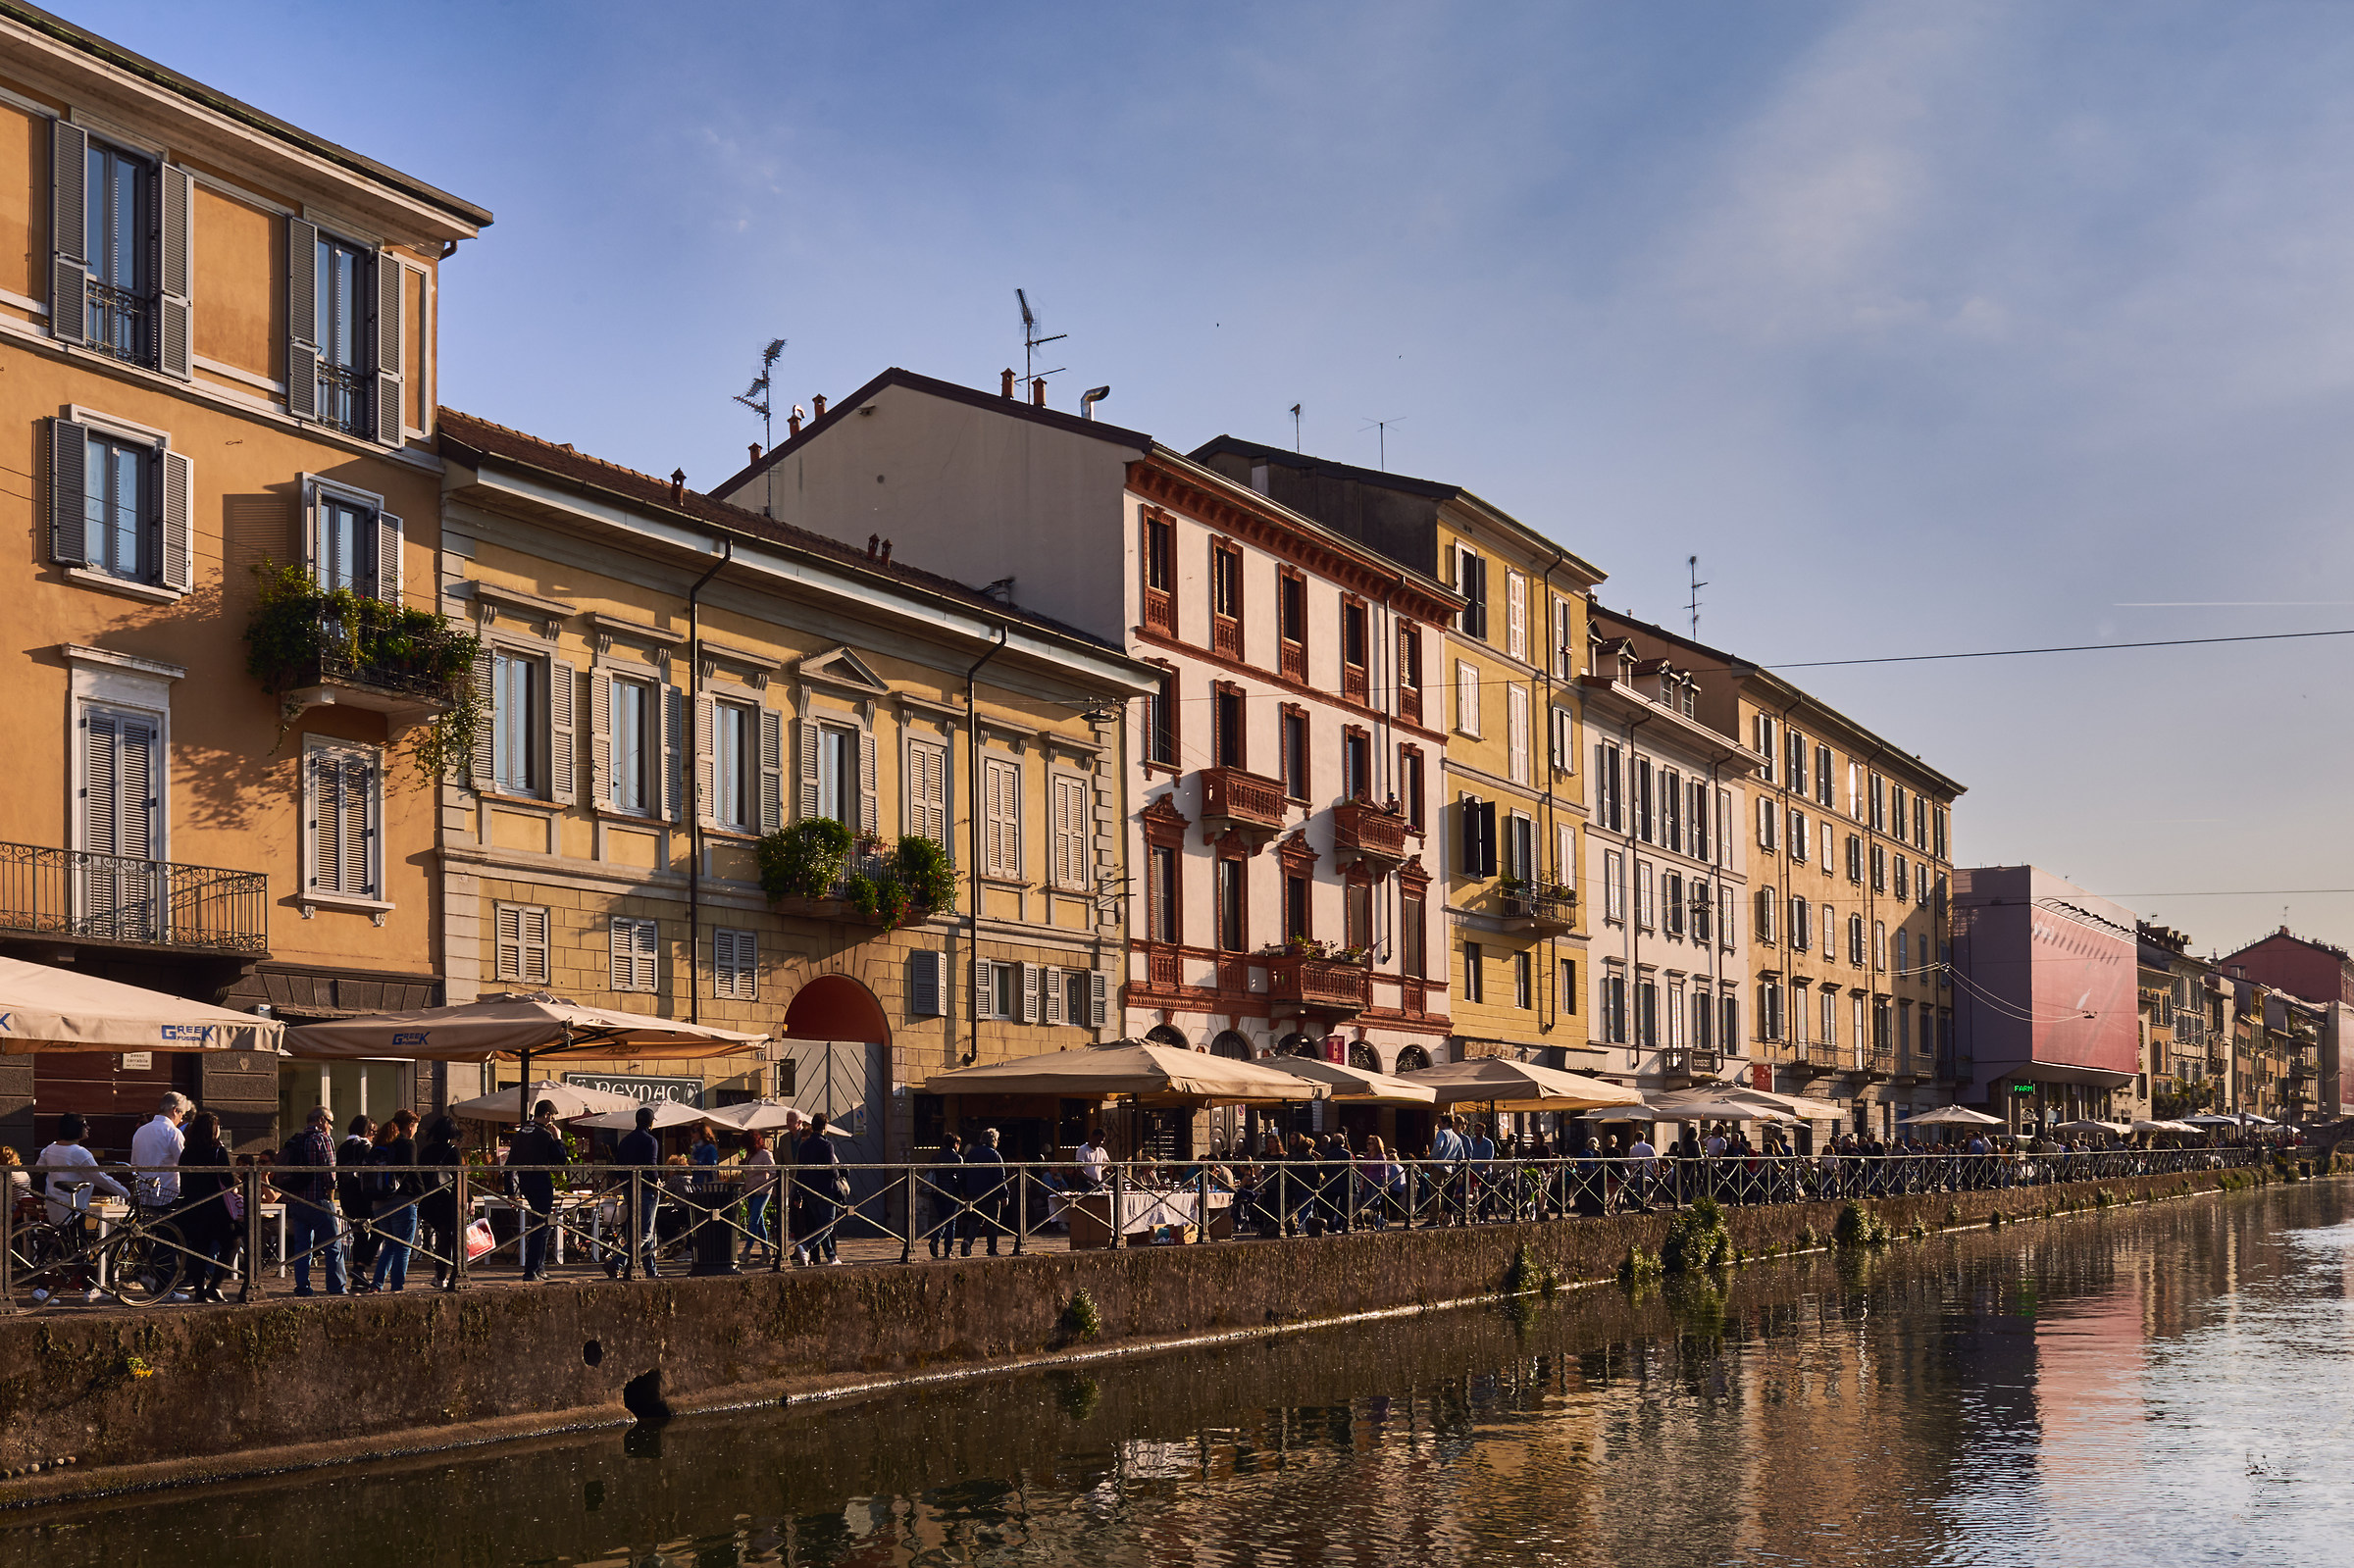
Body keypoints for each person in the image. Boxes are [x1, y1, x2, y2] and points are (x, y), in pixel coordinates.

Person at [33, 1113, 130, 1303]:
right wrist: (124, 1192)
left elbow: (38, 1170)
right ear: (76, 1128)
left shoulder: (50, 1149)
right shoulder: (80, 1153)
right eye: (85, 1125)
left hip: (54, 1203)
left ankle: (88, 1287)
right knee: (76, 1248)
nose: (88, 1128)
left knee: (69, 1248)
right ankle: (42, 1287)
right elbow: (100, 1177)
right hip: (73, 1206)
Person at [275, 1105, 345, 1296]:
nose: (331, 1126)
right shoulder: (322, 1139)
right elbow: (329, 1174)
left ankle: (302, 1287)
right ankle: (336, 1286)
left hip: (297, 1201)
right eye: (330, 1121)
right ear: (321, 1120)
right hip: (318, 1200)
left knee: (302, 1248)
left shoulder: (295, 1140)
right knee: (334, 1246)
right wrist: (331, 1201)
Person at [177, 1111, 236, 1303]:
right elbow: (227, 1180)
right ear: (213, 1130)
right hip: (216, 1207)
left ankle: (199, 1292)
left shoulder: (187, 1151)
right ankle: (215, 1285)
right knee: (231, 1243)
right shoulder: (218, 1151)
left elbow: (184, 1179)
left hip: (192, 1206)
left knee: (198, 1249)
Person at [506, 1100, 569, 1281]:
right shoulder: (544, 1135)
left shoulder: (520, 1134)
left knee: (541, 1224)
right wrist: (558, 1138)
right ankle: (531, 1270)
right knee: (541, 1226)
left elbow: (510, 1164)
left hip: (526, 1183)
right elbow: (560, 1159)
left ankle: (539, 1267)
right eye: (552, 1116)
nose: (552, 1120)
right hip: (541, 1183)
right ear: (547, 1114)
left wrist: (510, 1190)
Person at [608, 1105, 664, 1279]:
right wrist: (656, 1183)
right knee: (646, 1233)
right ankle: (617, 1261)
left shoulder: (625, 1140)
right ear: (650, 1123)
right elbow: (651, 1166)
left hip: (628, 1188)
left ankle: (651, 1270)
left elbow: (618, 1166)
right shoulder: (651, 1141)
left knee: (640, 1232)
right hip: (646, 1189)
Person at [370, 1109, 422, 1292]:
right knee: (403, 1247)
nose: (416, 1130)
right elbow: (412, 1172)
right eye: (416, 1126)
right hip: (402, 1201)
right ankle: (397, 1288)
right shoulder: (407, 1144)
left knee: (390, 1245)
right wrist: (422, 1194)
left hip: (378, 1203)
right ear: (410, 1126)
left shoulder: (381, 1143)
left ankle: (377, 1284)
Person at [418, 1113, 465, 1290]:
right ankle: (449, 1275)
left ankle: (440, 1274)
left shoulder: (426, 1151)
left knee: (443, 1237)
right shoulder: (453, 1151)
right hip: (448, 1201)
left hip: (430, 1201)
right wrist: (468, 1200)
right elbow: (460, 1178)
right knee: (449, 1239)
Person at [128, 1090, 190, 1212]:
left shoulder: (140, 1131)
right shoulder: (173, 1132)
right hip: (167, 1194)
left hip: (144, 1194)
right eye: (182, 1113)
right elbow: (183, 1162)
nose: (182, 1118)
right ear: (175, 1110)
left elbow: (134, 1163)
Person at [794, 1114, 844, 1265]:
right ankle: (805, 1246)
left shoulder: (804, 1146)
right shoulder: (827, 1145)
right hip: (825, 1190)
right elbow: (830, 1169)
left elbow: (800, 1170)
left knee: (821, 1226)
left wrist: (799, 1191)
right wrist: (839, 1173)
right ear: (825, 1127)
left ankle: (831, 1257)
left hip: (809, 1190)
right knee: (828, 1224)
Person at [336, 1114, 380, 1280]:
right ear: (367, 1130)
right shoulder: (364, 1147)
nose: (374, 1135)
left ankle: (359, 1273)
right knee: (378, 1230)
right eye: (373, 1131)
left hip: (346, 1197)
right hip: (363, 1197)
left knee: (358, 1234)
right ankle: (360, 1267)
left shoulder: (343, 1147)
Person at [961, 1127, 1009, 1255]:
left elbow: (964, 1173)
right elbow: (1000, 1177)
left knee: (976, 1220)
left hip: (973, 1193)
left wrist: (965, 1191)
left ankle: (967, 1241)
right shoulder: (994, 1155)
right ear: (993, 1140)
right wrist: (1004, 1195)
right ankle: (992, 1249)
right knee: (992, 1222)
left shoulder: (971, 1153)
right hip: (991, 1194)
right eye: (997, 1140)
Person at [742, 1130, 779, 1266]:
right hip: (750, 1191)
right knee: (759, 1222)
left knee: (754, 1220)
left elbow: (774, 1173)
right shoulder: (750, 1154)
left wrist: (763, 1189)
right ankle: (766, 1251)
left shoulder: (765, 1154)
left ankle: (747, 1250)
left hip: (762, 1192)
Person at [927, 1133, 965, 1259]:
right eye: (959, 1144)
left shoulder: (935, 1156)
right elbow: (960, 1178)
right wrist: (963, 1193)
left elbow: (929, 1172)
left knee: (942, 1219)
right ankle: (948, 1251)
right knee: (951, 1222)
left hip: (937, 1193)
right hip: (951, 1193)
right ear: (955, 1144)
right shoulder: (957, 1158)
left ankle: (934, 1240)